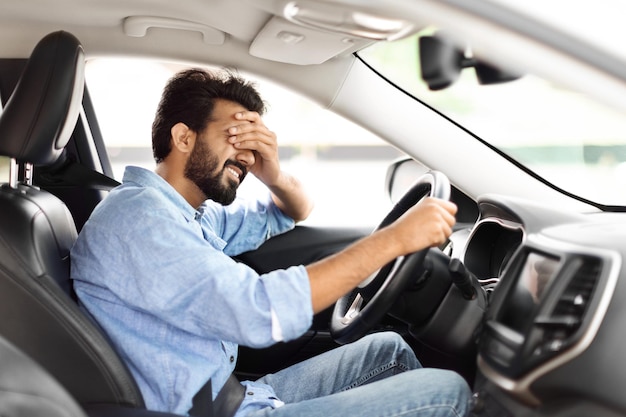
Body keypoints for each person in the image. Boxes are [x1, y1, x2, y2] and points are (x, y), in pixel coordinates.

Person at [70, 68, 472, 417]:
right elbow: (259, 310)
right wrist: (393, 241)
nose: (246, 157)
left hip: (231, 397)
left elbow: (291, 211)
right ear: (183, 137)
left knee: (388, 350)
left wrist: (273, 174)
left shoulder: (183, 213)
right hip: (207, 411)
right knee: (449, 393)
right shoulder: (142, 222)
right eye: (236, 137)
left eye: (254, 143)